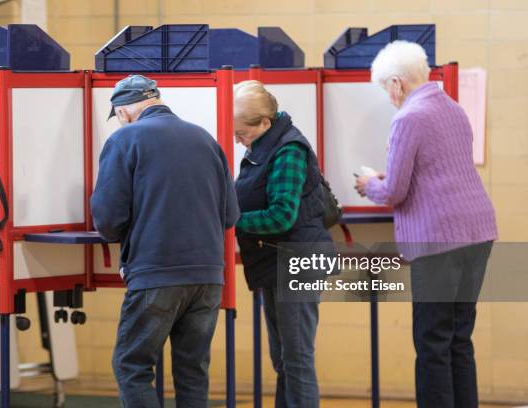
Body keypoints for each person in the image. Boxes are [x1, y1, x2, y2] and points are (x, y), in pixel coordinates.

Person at [354, 41, 498, 408]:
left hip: (438, 239)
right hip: (477, 232)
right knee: (459, 338)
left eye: (386, 88)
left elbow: (395, 191)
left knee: (432, 342)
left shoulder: (408, 117)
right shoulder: (452, 107)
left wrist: (369, 183)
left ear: (397, 83)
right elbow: (439, 170)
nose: (388, 97)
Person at [91, 75, 239, 408]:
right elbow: (230, 216)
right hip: (208, 276)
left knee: (132, 365)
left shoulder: (124, 140)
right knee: (192, 370)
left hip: (156, 272)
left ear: (123, 111)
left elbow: (108, 220)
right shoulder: (205, 139)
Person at [234, 80, 332, 408]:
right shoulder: (264, 146)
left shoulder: (289, 149)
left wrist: (231, 222)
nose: (238, 141)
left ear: (264, 123)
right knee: (284, 360)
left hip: (298, 260)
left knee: (297, 359)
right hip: (276, 261)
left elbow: (281, 217)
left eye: (241, 133)